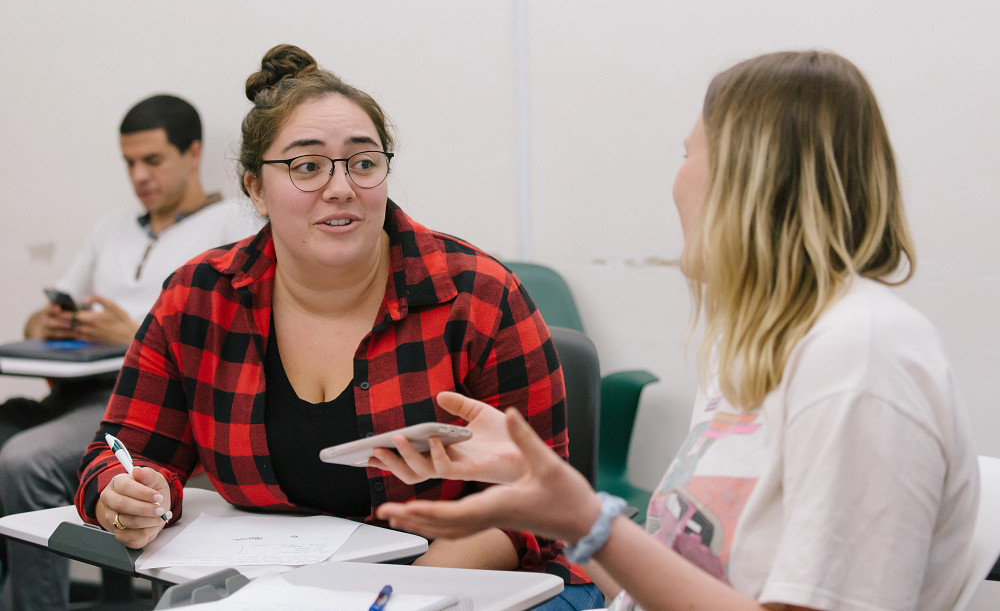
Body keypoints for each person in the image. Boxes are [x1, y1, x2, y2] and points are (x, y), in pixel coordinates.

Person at [374, 51, 980, 610]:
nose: (677, 181)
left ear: (753, 177)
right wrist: (542, 492)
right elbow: (660, 589)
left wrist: (588, 520)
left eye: (688, 154)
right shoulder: (750, 355)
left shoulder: (860, 355)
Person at [74, 45, 601, 609]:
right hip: (276, 593)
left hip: (463, 586)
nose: (341, 187)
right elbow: (123, 453)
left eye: (364, 162)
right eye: (306, 167)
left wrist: (399, 595)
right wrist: (123, 495)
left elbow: (541, 506)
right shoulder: (198, 299)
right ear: (256, 188)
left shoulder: (478, 296)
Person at [0, 93, 260, 610]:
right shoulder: (113, 226)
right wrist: (50, 321)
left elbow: (236, 337)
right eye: (130, 163)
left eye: (153, 160)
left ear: (192, 153)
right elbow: (38, 317)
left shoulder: (234, 223)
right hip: (78, 389)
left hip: (146, 395)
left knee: (23, 460)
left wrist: (132, 333)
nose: (140, 176)